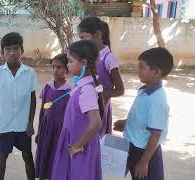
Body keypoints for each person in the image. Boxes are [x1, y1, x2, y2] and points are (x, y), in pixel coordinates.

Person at [114, 47, 174, 180]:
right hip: (135, 146)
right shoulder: (145, 90)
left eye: (142, 67)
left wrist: (144, 162)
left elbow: (155, 134)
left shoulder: (156, 100)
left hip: (146, 153)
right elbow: (142, 117)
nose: (138, 70)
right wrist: (127, 123)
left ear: (157, 72)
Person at [0, 32, 38, 180]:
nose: (12, 53)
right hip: (4, 124)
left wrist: (30, 122)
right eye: (8, 49)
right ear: (2, 53)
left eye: (16, 48)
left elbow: (33, 98)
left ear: (22, 50)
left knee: (28, 156)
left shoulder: (29, 73)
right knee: (3, 155)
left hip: (23, 125)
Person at [51, 40, 103, 180]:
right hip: (74, 140)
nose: (67, 65)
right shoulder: (81, 85)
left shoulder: (86, 90)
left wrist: (77, 145)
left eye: (70, 61)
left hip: (81, 146)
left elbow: (96, 123)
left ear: (84, 63)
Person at [78, 17, 124, 137]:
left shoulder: (108, 58)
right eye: (80, 38)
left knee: (96, 141)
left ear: (98, 35)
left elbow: (120, 90)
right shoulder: (87, 56)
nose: (82, 41)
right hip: (87, 105)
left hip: (100, 109)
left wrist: (100, 95)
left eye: (84, 37)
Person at [35, 53, 71, 180]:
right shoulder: (47, 88)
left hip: (60, 132)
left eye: (59, 67)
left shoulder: (69, 93)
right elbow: (42, 111)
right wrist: (39, 131)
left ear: (67, 69)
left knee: (56, 160)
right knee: (44, 157)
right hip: (46, 130)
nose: (55, 70)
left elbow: (70, 118)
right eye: (53, 67)